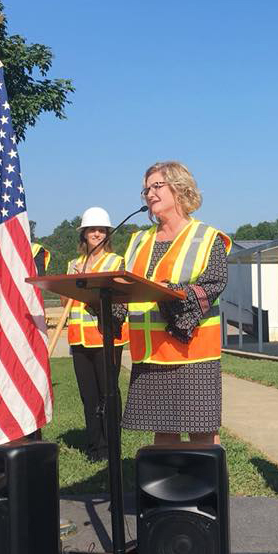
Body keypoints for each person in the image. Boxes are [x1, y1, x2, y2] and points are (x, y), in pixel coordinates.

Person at [122, 161, 231, 446]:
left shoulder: (207, 237)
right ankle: (165, 489)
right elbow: (125, 289)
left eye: (157, 185)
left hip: (192, 355)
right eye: (146, 189)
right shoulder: (137, 240)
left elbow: (213, 283)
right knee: (163, 432)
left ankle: (207, 491)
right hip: (150, 354)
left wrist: (171, 296)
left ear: (180, 188)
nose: (149, 193)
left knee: (202, 434)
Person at [65, 207, 128, 461]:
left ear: (107, 234)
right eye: (92, 229)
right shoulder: (73, 265)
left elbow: (120, 302)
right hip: (79, 339)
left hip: (106, 337)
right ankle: (95, 447)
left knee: (108, 392)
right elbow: (67, 298)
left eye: (101, 230)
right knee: (88, 395)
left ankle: (111, 445)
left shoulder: (116, 261)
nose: (97, 233)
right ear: (83, 234)